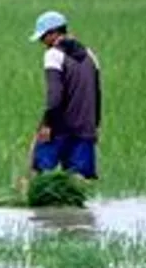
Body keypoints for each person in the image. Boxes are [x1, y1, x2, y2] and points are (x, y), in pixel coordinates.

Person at [28, 10, 102, 180]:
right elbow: (97, 94)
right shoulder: (91, 55)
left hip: (60, 126)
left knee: (41, 172)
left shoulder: (53, 55)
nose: (42, 42)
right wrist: (96, 125)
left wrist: (47, 124)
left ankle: (40, 205)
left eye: (43, 37)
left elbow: (55, 94)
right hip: (86, 127)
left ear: (54, 33)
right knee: (78, 180)